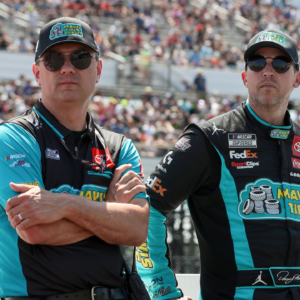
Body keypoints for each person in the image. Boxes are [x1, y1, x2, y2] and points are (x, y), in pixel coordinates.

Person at [137, 29, 300, 300]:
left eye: (280, 64)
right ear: (245, 77)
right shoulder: (209, 139)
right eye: (258, 63)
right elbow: (147, 208)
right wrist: (162, 291)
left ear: (297, 78)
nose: (268, 71)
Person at [0, 17, 149, 298]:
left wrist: (65, 205)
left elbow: (137, 228)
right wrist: (109, 210)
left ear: (98, 69)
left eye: (80, 57)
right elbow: (36, 230)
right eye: (53, 60)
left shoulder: (120, 147)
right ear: (37, 72)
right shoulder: (13, 138)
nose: (67, 68)